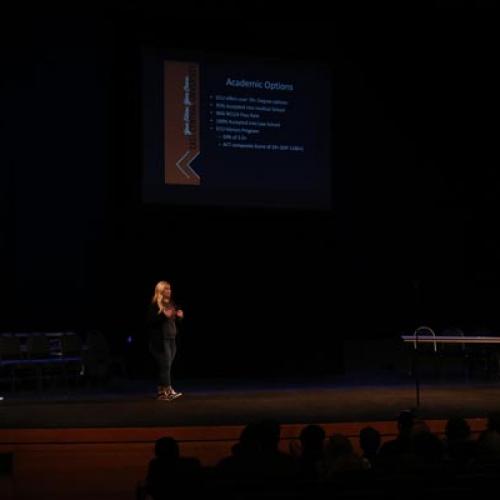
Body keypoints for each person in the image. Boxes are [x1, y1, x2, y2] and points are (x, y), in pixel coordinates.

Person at [147, 280, 184, 401]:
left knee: (166, 366)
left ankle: (161, 392)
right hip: (160, 341)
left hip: (171, 338)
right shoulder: (155, 304)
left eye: (170, 289)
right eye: (167, 289)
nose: (169, 291)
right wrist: (164, 316)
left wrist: (179, 316)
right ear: (161, 291)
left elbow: (172, 321)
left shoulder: (171, 303)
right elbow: (151, 321)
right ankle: (168, 390)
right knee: (165, 366)